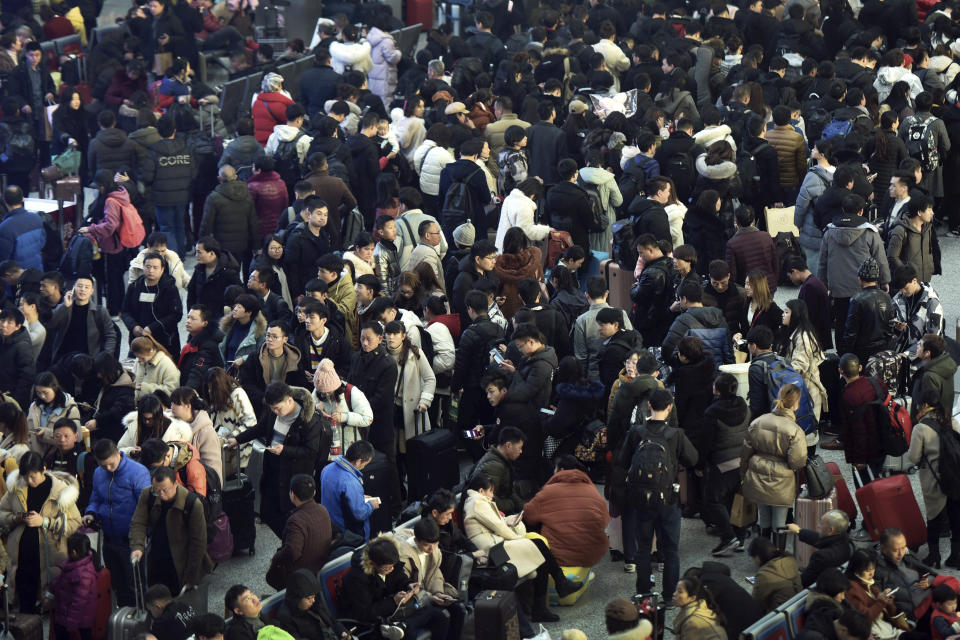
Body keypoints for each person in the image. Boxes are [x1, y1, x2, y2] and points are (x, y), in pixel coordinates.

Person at [462, 473, 583, 622]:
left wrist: (510, 521)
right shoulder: (477, 502)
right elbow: (498, 526)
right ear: (481, 491)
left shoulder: (476, 501)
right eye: (491, 491)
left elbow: (495, 523)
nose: (493, 495)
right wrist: (519, 538)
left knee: (538, 550)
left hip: (494, 546)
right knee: (537, 546)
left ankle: (553, 592)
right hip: (492, 552)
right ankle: (555, 589)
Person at [617, 388, 698, 597]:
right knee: (671, 551)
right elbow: (693, 459)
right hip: (668, 498)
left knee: (643, 549)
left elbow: (623, 461)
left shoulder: (636, 432)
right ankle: (670, 594)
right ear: (670, 408)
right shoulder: (676, 435)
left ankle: (643, 591)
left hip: (641, 499)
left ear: (649, 406)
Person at [229, 382, 322, 537]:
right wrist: (238, 439)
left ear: (290, 401)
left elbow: (311, 451)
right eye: (273, 408)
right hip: (272, 467)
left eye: (278, 408)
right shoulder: (273, 412)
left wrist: (284, 450)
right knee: (267, 512)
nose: (276, 412)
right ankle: (287, 540)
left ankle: (291, 543)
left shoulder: (309, 420)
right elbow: (260, 428)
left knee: (286, 512)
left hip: (292, 473)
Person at [0, 451, 81, 613]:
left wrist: (45, 522)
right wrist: (17, 518)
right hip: (21, 556)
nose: (29, 481)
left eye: (33, 477)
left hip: (50, 556)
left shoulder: (60, 492)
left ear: (44, 469)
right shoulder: (16, 488)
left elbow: (75, 522)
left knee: (52, 606)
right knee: (23, 603)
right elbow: (2, 513)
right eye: (25, 477)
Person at [339, 537, 450, 640]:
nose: (391, 569)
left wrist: (408, 584)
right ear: (373, 564)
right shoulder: (356, 579)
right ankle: (403, 626)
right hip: (372, 623)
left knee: (439, 617)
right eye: (387, 568)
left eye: (393, 566)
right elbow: (365, 613)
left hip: (394, 614)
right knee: (408, 634)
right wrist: (393, 601)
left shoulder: (389, 560)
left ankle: (403, 625)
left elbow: (399, 577)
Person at [129, 465, 212, 594]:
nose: (161, 495)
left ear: (176, 484)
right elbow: (138, 522)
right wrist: (137, 546)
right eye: (157, 491)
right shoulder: (148, 494)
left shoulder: (192, 503)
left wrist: (191, 576)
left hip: (181, 560)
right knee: (156, 600)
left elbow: (198, 543)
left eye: (165, 490)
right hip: (157, 557)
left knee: (179, 604)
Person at [819, 194, 891, 340]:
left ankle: (843, 355)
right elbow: (880, 259)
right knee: (864, 322)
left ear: (843, 210)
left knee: (841, 321)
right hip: (864, 287)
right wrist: (885, 281)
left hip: (838, 287)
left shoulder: (829, 231)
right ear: (861, 212)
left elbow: (823, 261)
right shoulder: (870, 232)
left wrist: (823, 283)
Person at [741, 384, 809, 537]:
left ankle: (762, 551)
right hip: (782, 481)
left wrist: (743, 475)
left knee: (763, 518)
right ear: (795, 404)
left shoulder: (758, 422)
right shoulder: (795, 430)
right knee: (779, 522)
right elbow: (797, 461)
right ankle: (777, 555)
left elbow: (745, 453)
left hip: (757, 474)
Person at [523, 455, 610, 568]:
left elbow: (528, 515)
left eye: (555, 468)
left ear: (561, 470)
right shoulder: (593, 491)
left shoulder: (549, 491)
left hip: (558, 555)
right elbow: (605, 521)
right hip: (591, 555)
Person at [907, 388, 960, 569]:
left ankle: (934, 557)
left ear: (925, 405)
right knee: (956, 517)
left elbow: (913, 458)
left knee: (934, 519)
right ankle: (956, 557)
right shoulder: (951, 421)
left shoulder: (920, 428)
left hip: (934, 479)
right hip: (954, 477)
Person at [390, 518, 465, 638]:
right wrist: (432, 597)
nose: (431, 549)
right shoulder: (404, 557)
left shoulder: (434, 551)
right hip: (412, 602)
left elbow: (434, 573)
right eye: (426, 545)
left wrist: (438, 593)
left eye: (435, 544)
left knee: (459, 610)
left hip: (428, 595)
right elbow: (409, 587)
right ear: (416, 540)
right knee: (440, 617)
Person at [141, 115, 197, 258]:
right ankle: (181, 257)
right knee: (180, 226)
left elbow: (147, 176)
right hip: (183, 196)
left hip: (162, 197)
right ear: (174, 130)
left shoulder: (153, 150)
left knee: (167, 228)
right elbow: (193, 172)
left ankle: (173, 260)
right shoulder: (185, 148)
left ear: (158, 131)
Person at [268, 474, 333, 590]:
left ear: (292, 494)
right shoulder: (323, 510)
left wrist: (276, 557)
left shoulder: (296, 520)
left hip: (300, 576)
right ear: (314, 493)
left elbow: (292, 551)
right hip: (320, 568)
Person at [121, 251, 183, 357]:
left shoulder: (170, 288)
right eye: (148, 267)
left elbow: (176, 314)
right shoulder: (135, 286)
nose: (151, 270)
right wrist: (134, 326)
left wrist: (152, 328)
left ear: (162, 269)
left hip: (164, 339)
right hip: (139, 338)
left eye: (155, 267)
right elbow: (125, 311)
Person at [780, 299, 828, 431]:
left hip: (807, 387)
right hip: (801, 386)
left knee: (806, 429)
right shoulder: (795, 332)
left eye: (786, 312)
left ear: (795, 314)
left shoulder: (803, 337)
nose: (783, 314)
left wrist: (781, 373)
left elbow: (799, 365)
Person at [845, 548, 914, 637]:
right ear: (856, 570)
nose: (871, 574)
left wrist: (889, 603)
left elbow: (891, 613)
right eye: (867, 570)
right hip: (879, 634)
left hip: (891, 628)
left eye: (873, 569)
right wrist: (881, 602)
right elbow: (864, 619)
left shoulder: (870, 584)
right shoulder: (852, 590)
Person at [838, 354, 887, 480]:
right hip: (883, 441)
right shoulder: (876, 382)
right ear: (860, 367)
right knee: (878, 480)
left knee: (866, 490)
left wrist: (859, 460)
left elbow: (858, 430)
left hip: (866, 451)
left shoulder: (849, 395)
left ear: (840, 371)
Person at [319, 440, 379, 541]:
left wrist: (359, 497)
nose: (364, 467)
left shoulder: (327, 469)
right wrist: (371, 505)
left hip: (330, 524)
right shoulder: (350, 482)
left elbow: (338, 495)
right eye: (366, 463)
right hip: (347, 533)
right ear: (359, 461)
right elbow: (359, 513)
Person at [876, 527, 938, 622]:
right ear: (883, 549)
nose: (901, 553)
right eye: (895, 550)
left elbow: (929, 572)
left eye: (903, 547)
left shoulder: (908, 556)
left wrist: (929, 579)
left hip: (932, 596)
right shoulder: (878, 569)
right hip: (917, 611)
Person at [48, 532, 98, 640]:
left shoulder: (83, 574)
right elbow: (62, 581)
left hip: (78, 618)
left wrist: (71, 623)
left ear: (74, 552)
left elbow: (79, 603)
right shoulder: (73, 564)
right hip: (66, 612)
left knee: (84, 635)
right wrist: (52, 587)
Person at [275, 569, 350, 640]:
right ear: (296, 598)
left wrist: (342, 632)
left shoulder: (315, 601)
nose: (313, 600)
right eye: (308, 598)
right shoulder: (285, 618)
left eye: (314, 596)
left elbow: (332, 620)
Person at [785, 510, 853, 587]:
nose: (818, 525)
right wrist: (799, 531)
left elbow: (804, 581)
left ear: (830, 530)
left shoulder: (821, 557)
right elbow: (821, 539)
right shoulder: (845, 539)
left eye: (821, 523)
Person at [631, 233, 675, 347]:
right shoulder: (672, 264)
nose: (640, 257)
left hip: (649, 321)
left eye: (641, 253)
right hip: (666, 319)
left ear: (650, 250)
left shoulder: (651, 273)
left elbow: (637, 295)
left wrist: (634, 286)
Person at [891, 265, 944, 356]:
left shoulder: (932, 302)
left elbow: (933, 337)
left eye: (906, 288)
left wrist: (907, 355)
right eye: (901, 289)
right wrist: (899, 328)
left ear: (914, 281)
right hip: (902, 346)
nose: (903, 291)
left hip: (923, 352)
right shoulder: (899, 298)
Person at [725, 208, 779, 292]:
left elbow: (732, 273)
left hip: (747, 288)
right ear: (753, 220)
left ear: (736, 221)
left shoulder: (732, 243)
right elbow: (775, 263)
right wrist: (774, 281)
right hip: (768, 285)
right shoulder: (766, 236)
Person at [187, 237, 242, 316]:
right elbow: (191, 293)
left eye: (199, 252)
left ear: (212, 253)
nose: (196, 255)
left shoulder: (228, 272)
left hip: (219, 319)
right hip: (200, 316)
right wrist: (191, 314)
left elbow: (237, 297)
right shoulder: (199, 269)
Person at [787, 256, 833, 350]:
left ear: (794, 271)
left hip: (814, 338)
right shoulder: (814, 282)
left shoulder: (810, 286)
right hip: (817, 337)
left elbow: (808, 315)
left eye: (790, 276)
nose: (791, 279)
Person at [911, 334, 958, 422]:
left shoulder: (929, 375)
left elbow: (929, 406)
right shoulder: (944, 366)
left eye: (920, 344)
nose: (917, 345)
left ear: (927, 353)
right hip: (943, 421)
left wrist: (916, 420)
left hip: (927, 426)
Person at [750, 536, 803, 611]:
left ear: (757, 557)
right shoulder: (790, 559)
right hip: (799, 607)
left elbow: (755, 602)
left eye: (753, 558)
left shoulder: (764, 575)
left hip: (780, 616)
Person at [0, 187, 44, 272]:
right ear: (23, 199)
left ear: (5, 201)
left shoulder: (4, 227)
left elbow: (4, 257)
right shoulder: (36, 218)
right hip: (37, 271)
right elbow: (42, 243)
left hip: (17, 277)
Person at [672, 575, 730, 640]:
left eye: (680, 592)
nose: (674, 594)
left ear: (692, 598)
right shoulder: (698, 605)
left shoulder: (692, 621)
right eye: (676, 590)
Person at [131, 335, 179, 400]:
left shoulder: (166, 364)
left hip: (157, 405)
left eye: (142, 358)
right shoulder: (140, 360)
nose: (139, 360)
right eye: (137, 357)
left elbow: (171, 390)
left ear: (151, 350)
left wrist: (145, 388)